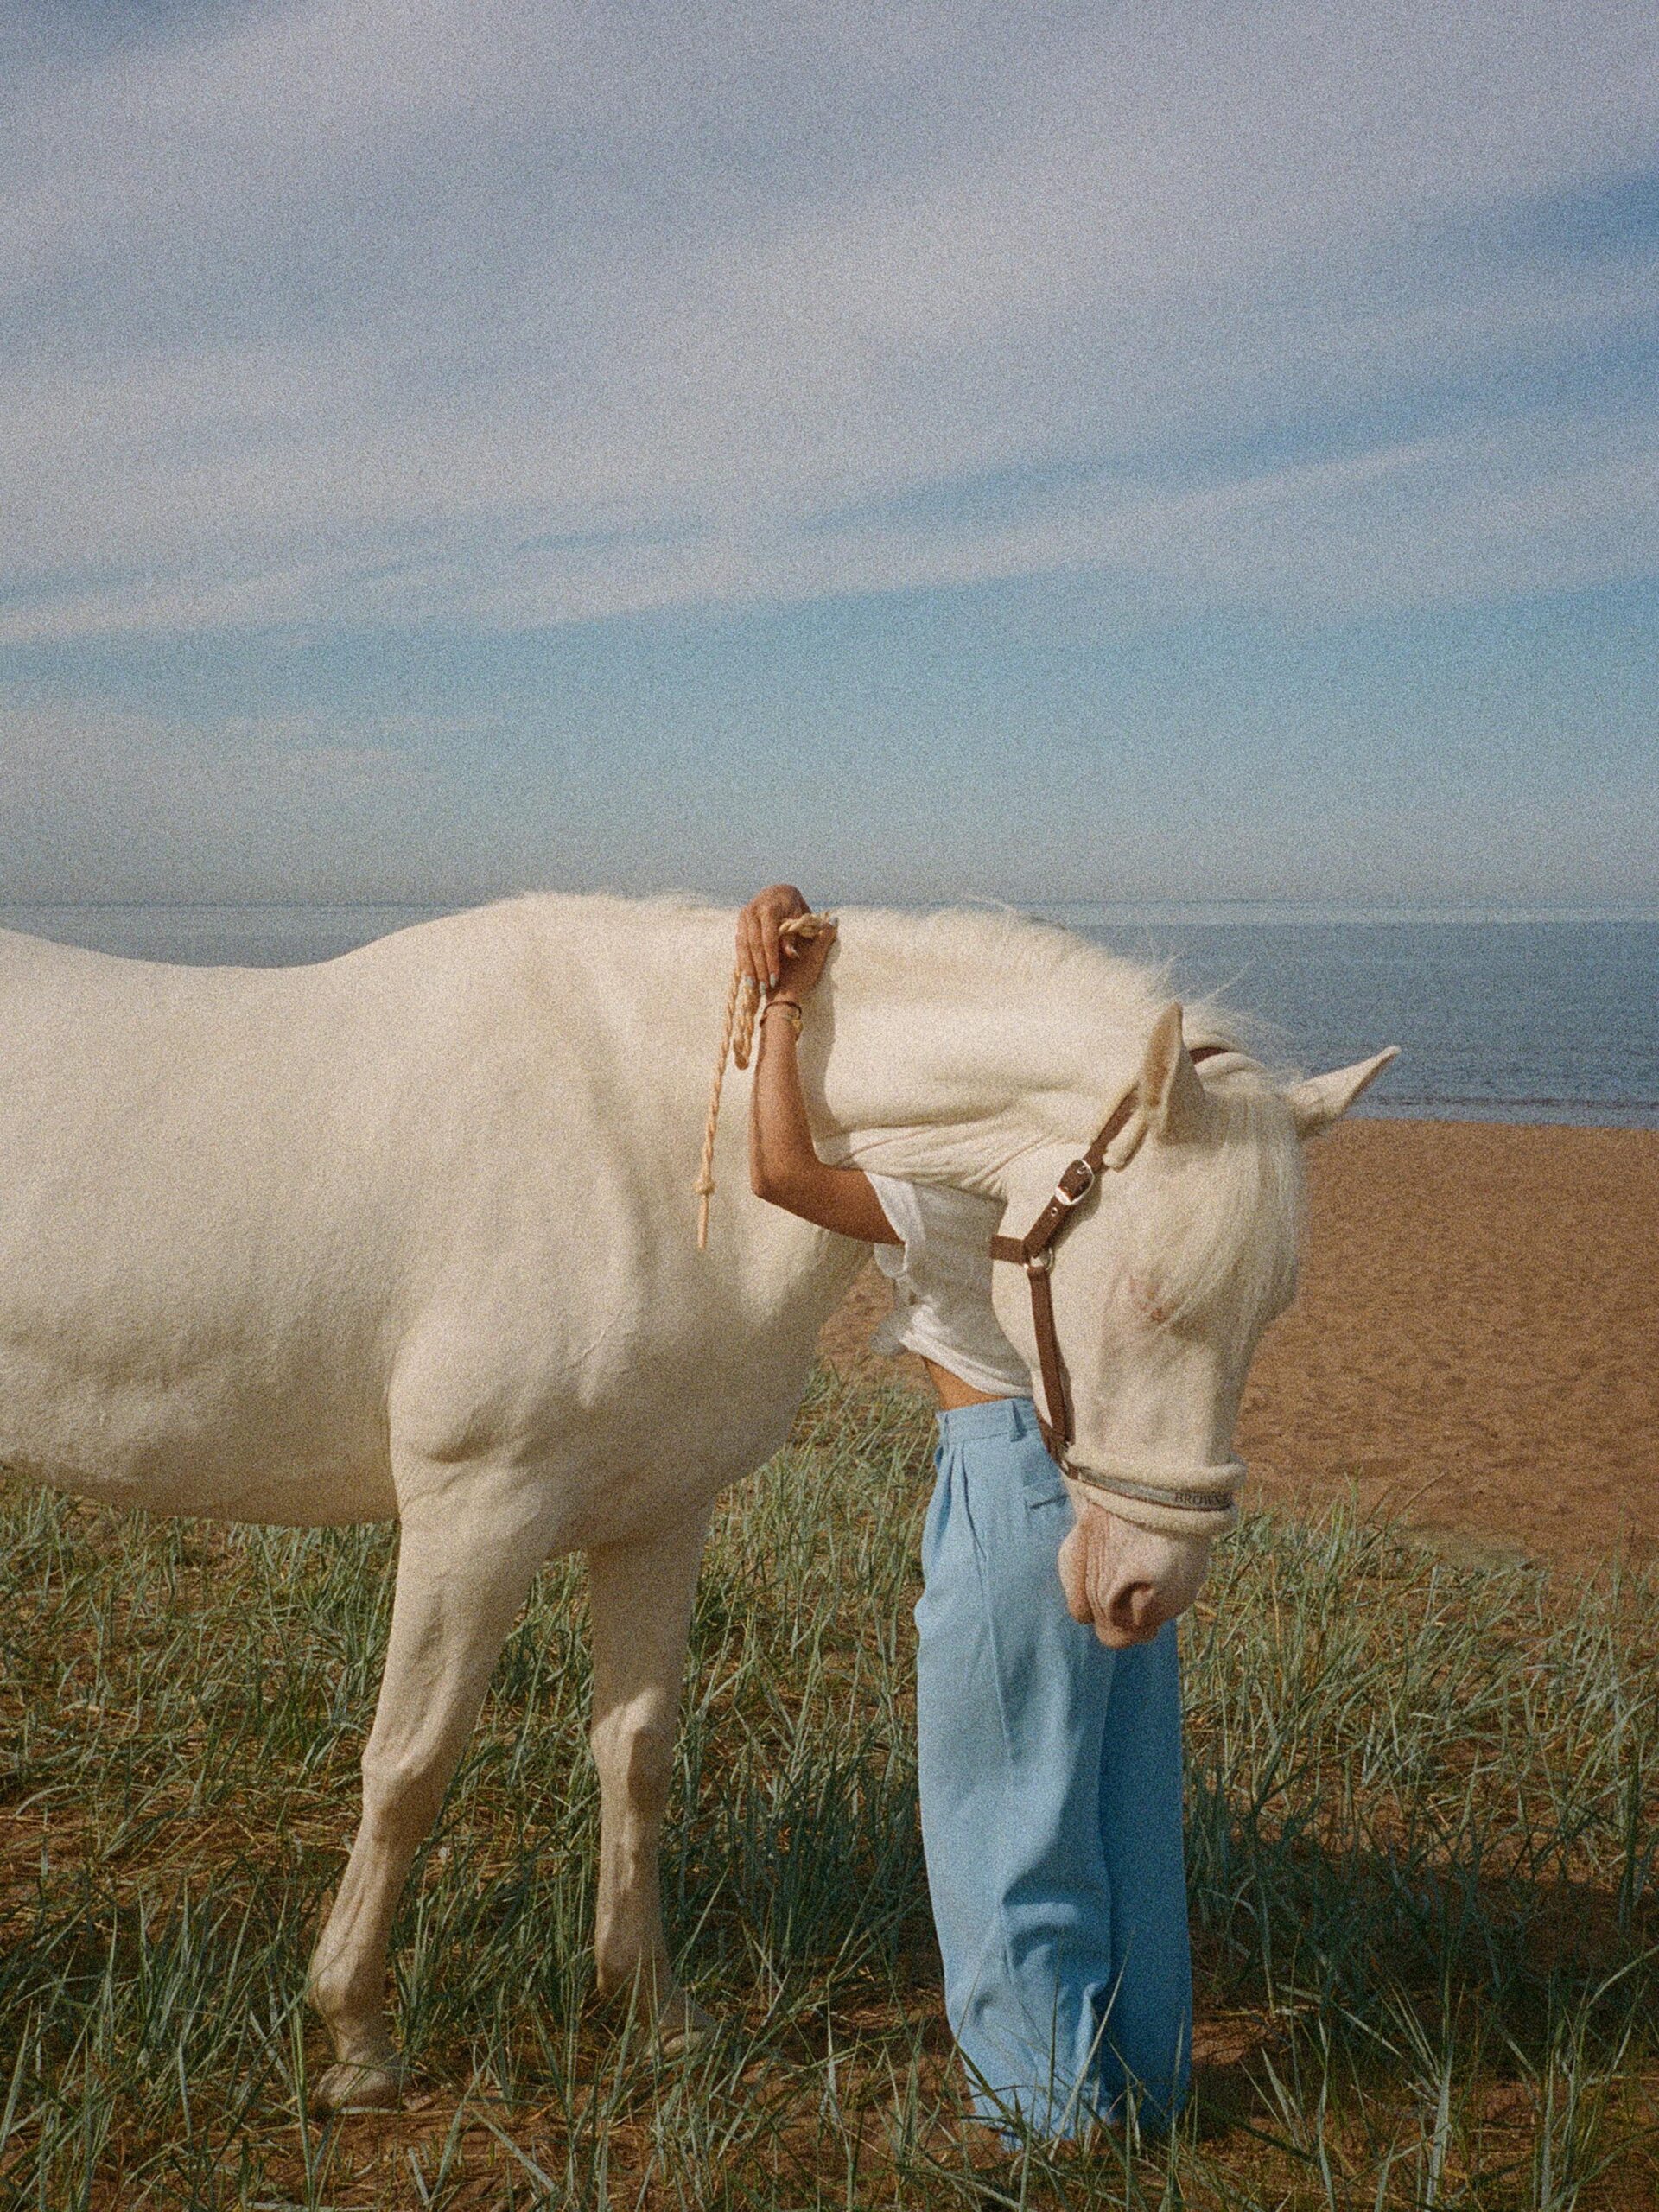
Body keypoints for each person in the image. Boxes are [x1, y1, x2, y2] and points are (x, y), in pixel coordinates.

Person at [736, 885, 1193, 2142]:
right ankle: (1146, 2089)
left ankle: (1044, 2118)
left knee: (1005, 1812)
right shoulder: (1078, 1166)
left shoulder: (952, 1175)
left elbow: (780, 1168)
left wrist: (781, 1010)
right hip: (1113, 1467)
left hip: (1007, 1470)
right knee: (1123, 1807)